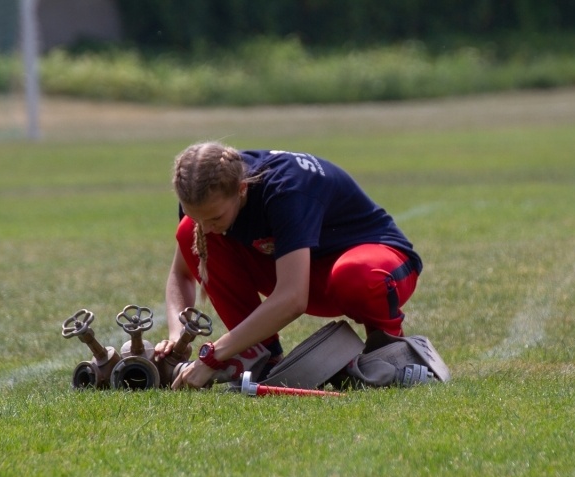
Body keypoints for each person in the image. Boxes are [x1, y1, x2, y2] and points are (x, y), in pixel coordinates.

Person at [152, 141, 422, 390]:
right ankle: (263, 358)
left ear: (242, 189)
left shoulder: (285, 188)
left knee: (354, 275)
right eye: (196, 216)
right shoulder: (202, 197)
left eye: (215, 217)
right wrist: (177, 337)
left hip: (376, 264)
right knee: (189, 231)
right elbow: (181, 274)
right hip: (307, 270)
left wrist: (213, 355)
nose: (207, 227)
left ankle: (390, 349)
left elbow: (293, 299)